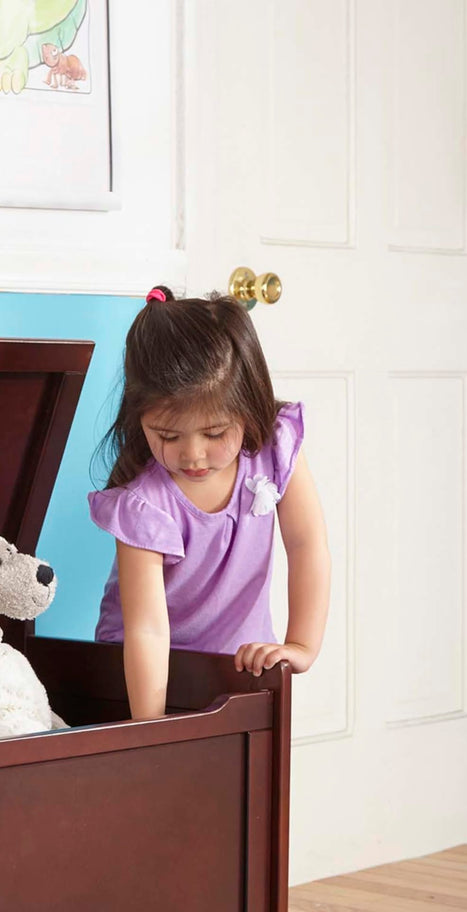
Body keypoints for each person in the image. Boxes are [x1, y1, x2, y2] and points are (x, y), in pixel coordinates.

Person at [89, 286, 331, 722]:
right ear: (140, 419)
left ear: (248, 406)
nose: (193, 455)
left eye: (215, 434)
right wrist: (150, 729)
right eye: (168, 436)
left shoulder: (276, 449)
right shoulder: (144, 502)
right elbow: (147, 629)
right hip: (143, 675)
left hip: (240, 665)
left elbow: (306, 544)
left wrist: (301, 644)